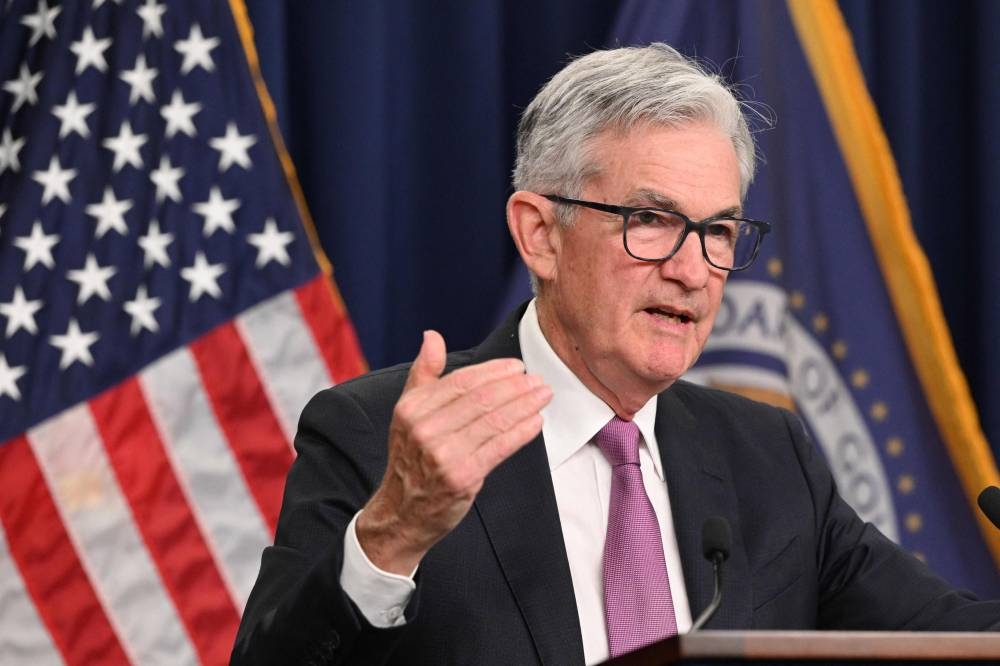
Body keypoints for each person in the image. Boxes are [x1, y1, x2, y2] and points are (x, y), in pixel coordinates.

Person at [231, 43, 1000, 665]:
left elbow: (952, 640)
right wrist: (397, 530)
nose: (694, 271)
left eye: (720, 232)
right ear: (540, 234)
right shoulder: (383, 440)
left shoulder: (767, 454)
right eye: (651, 221)